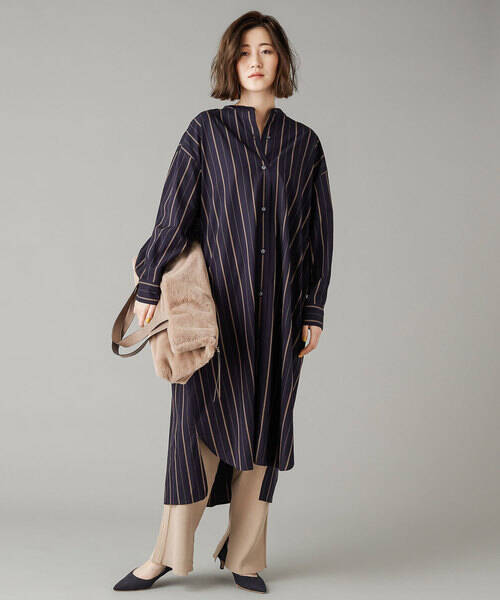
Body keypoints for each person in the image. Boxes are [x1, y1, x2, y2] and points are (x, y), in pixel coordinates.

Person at [113, 10, 334, 594]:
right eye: (243, 52)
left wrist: (312, 310)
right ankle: (166, 554)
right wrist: (148, 285)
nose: (255, 62)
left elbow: (317, 236)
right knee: (193, 431)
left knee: (262, 430)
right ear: (229, 63)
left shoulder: (304, 145)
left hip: (277, 317)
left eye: (266, 50)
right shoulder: (205, 132)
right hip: (212, 316)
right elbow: (174, 214)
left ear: (281, 60)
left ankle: (246, 558)